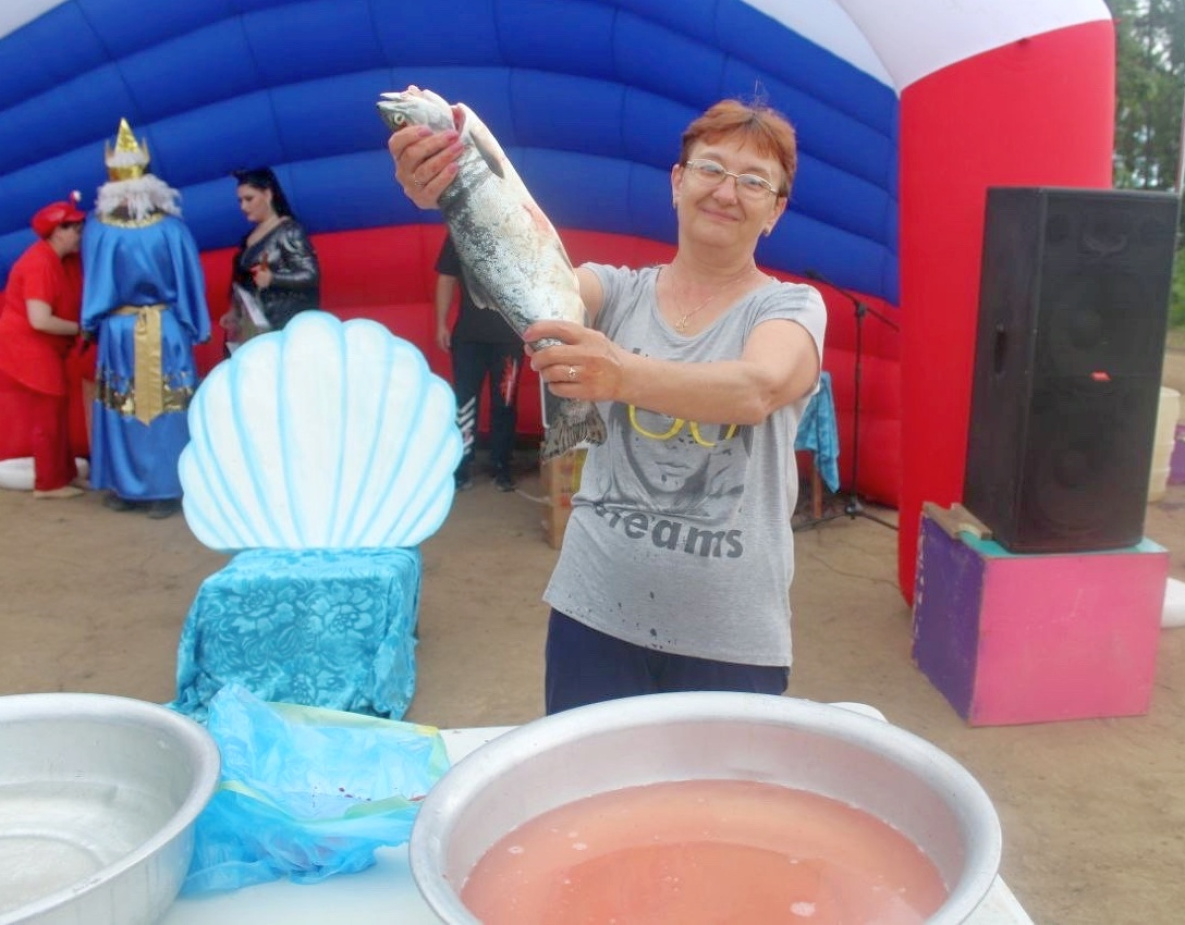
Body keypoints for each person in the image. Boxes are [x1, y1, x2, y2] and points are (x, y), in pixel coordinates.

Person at [388, 94, 826, 714]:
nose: (727, 192)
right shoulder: (614, 290)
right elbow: (530, 274)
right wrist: (454, 197)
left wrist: (620, 375)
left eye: (754, 181)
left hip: (732, 637)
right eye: (710, 168)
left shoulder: (792, 306)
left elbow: (756, 389)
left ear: (775, 211)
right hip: (592, 615)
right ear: (677, 182)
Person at [81, 118, 211, 519]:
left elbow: (94, 283)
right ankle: (162, 488)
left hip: (120, 331)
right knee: (165, 409)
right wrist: (195, 324)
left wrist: (90, 323)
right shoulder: (172, 229)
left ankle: (133, 486)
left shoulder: (98, 230)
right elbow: (189, 281)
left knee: (125, 407)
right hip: (165, 329)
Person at [0, 198, 87, 498]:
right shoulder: (40, 263)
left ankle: (64, 474)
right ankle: (48, 484)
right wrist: (81, 329)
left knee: (59, 408)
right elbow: (40, 320)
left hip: (44, 346)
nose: (79, 233)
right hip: (28, 346)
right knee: (48, 412)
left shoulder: (64, 260)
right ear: (56, 232)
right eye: (73, 228)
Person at [435, 232, 521, 492]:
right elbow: (446, 278)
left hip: (510, 339)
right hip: (468, 338)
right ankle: (461, 466)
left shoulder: (518, 233)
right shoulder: (460, 232)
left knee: (505, 402)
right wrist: (441, 323)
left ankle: (501, 465)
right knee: (464, 403)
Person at [222, 167, 320, 348]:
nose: (243, 207)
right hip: (255, 327)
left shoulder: (289, 231)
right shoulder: (248, 238)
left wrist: (273, 278)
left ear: (267, 195)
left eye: (249, 199)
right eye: (240, 201)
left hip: (282, 326)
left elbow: (310, 274)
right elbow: (241, 283)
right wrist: (234, 311)